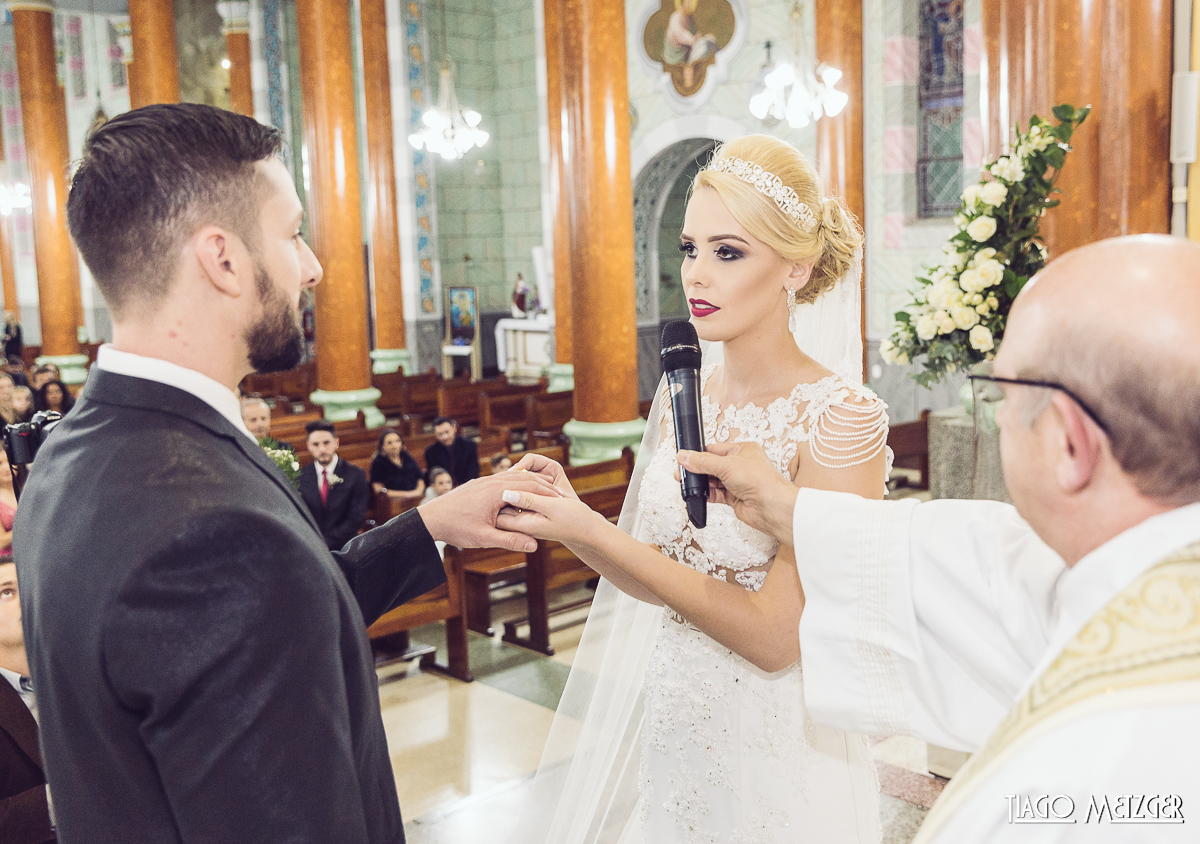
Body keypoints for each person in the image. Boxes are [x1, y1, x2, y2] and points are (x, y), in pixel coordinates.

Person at [14, 103, 555, 844]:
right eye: (293, 232)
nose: (313, 267)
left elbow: (273, 621)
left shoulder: (73, 450)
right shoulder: (211, 534)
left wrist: (430, 526)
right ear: (223, 257)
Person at [646, 235, 1200, 842]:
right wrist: (790, 509)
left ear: (1071, 444)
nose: (999, 416)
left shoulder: (1097, 765)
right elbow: (974, 557)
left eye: (1004, 395)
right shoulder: (1136, 582)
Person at [501, 136, 888, 843]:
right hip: (678, 727)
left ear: (795, 269)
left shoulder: (841, 418)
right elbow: (657, 578)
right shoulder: (685, 394)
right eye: (689, 249)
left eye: (728, 252)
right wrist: (575, 519)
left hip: (777, 750)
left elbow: (777, 638)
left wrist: (591, 532)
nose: (696, 276)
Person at [0, 555, 55, 843]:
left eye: (26, 585)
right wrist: (60, 799)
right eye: (6, 592)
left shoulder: (76, 672)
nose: (23, 598)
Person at [298, 419, 371, 550]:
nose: (322, 449)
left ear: (336, 443)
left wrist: (326, 542)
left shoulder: (355, 474)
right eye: (315, 444)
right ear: (308, 446)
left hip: (345, 546)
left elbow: (356, 518)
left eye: (326, 443)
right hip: (312, 547)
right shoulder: (300, 476)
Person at [369, 428, 425, 503]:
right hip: (393, 502)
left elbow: (419, 478)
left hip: (415, 498)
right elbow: (379, 489)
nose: (394, 446)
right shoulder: (378, 462)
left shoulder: (406, 456)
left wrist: (418, 492)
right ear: (383, 446)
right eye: (389, 443)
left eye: (397, 441)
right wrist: (407, 494)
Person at [424, 415, 479, 486]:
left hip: (466, 486)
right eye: (440, 434)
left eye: (447, 432)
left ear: (454, 428)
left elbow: (473, 471)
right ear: (435, 435)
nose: (445, 437)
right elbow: (434, 475)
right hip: (444, 490)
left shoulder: (469, 445)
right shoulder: (431, 452)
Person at [0, 449, 16, 555]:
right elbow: (1, 541)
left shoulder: (29, 489)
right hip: (8, 562)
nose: (6, 467)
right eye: (0, 463)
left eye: (9, 460)